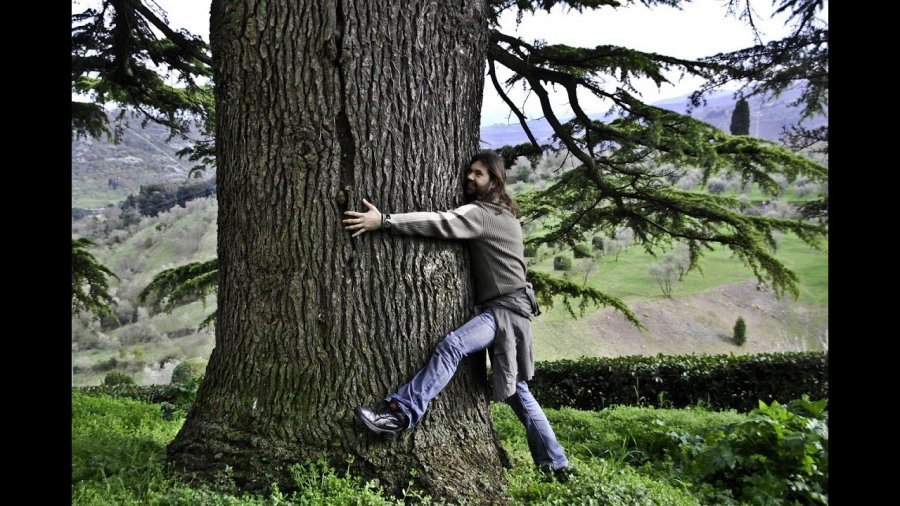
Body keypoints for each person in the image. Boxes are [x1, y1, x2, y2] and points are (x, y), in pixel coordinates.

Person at [342, 150, 571, 478]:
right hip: (514, 309)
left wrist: (385, 221)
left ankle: (400, 414)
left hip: (504, 312)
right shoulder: (506, 214)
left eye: (478, 174)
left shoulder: (482, 214)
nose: (470, 178)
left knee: (453, 345)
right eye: (470, 172)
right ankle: (556, 465)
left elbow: (442, 222)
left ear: (494, 180)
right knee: (519, 392)